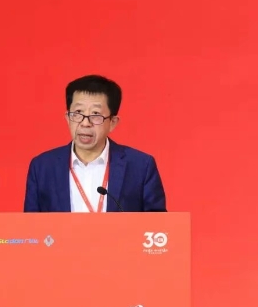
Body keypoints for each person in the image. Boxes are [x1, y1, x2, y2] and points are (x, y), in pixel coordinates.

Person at [23, 74, 167, 213]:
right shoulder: (42, 167)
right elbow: (30, 225)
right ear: (67, 118)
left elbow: (158, 224)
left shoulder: (140, 166)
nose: (85, 123)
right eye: (78, 112)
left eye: (96, 114)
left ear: (112, 122)